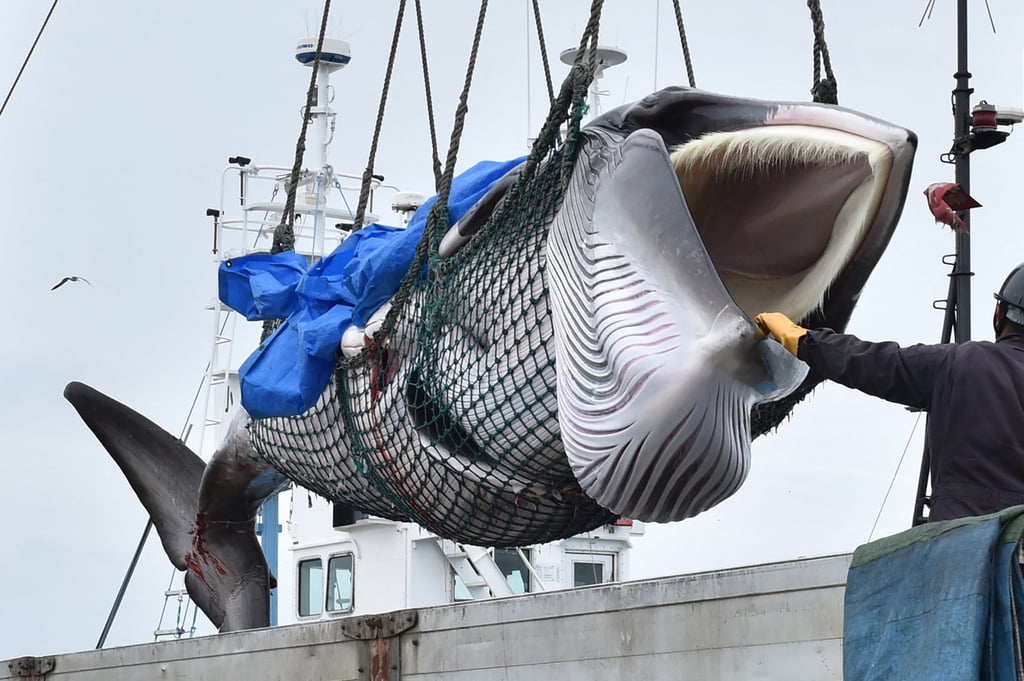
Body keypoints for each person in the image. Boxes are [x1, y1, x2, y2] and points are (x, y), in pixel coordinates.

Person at [755, 263, 1024, 522]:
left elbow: (871, 362)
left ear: (999, 313)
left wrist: (801, 339)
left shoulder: (958, 363)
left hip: (961, 545)